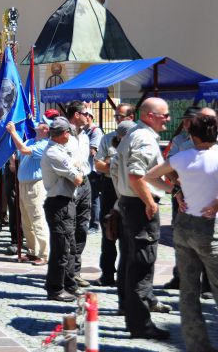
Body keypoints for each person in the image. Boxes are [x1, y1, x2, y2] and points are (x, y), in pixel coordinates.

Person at [145, 113, 218, 351]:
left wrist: (175, 190)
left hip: (185, 225)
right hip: (210, 228)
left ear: (191, 135)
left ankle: (197, 345)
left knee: (188, 292)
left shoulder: (182, 156)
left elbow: (150, 176)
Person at [115, 97, 170, 340]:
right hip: (139, 206)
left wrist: (172, 190)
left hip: (131, 202)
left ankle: (133, 315)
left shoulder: (135, 134)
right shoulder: (143, 137)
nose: (168, 118)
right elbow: (137, 176)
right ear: (149, 115)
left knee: (133, 262)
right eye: (164, 114)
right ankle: (140, 325)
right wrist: (149, 202)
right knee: (141, 265)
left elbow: (141, 175)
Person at [41, 116, 84, 301]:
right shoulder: (54, 153)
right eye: (67, 132)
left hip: (66, 202)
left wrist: (76, 167)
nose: (69, 135)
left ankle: (69, 283)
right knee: (61, 248)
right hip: (58, 203)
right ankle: (55, 288)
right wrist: (77, 168)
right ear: (63, 134)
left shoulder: (60, 150)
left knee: (69, 246)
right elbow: (78, 178)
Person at [92, 103, 135, 287]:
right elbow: (98, 165)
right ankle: (107, 273)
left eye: (120, 116)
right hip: (110, 185)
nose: (117, 120)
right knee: (108, 228)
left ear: (131, 118)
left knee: (129, 232)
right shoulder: (108, 138)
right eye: (116, 116)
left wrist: (112, 164)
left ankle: (128, 275)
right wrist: (116, 165)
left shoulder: (139, 138)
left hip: (131, 187)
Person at [162, 106, 202, 291]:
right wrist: (177, 183)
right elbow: (169, 166)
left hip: (204, 192)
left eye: (189, 120)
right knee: (179, 235)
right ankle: (179, 277)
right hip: (182, 192)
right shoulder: (178, 139)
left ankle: (208, 284)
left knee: (204, 235)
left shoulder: (210, 140)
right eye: (184, 120)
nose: (185, 124)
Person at [7, 117, 51, 265]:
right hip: (23, 184)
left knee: (37, 219)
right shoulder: (32, 141)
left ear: (46, 130)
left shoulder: (45, 144)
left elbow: (24, 150)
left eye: (42, 123)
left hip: (35, 185)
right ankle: (32, 251)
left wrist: (13, 132)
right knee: (26, 221)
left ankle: (44, 254)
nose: (38, 124)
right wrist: (12, 158)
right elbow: (19, 152)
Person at [65, 101, 92, 288]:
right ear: (76, 115)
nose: (88, 116)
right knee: (70, 227)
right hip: (71, 183)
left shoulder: (85, 136)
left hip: (86, 182)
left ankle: (76, 270)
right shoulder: (64, 135)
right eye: (86, 113)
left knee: (82, 227)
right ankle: (68, 272)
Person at [82, 107, 103, 233]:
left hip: (93, 170)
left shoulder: (96, 131)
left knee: (94, 198)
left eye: (84, 115)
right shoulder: (83, 131)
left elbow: (93, 151)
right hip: (86, 169)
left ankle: (95, 225)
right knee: (88, 197)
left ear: (89, 116)